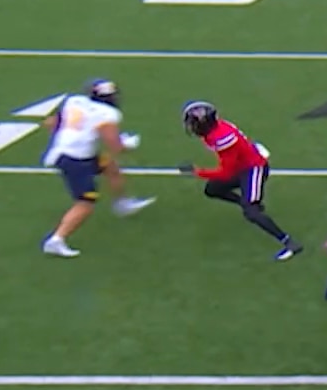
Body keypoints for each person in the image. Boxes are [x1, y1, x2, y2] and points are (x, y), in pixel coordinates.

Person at [40, 79, 150, 257]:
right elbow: (115, 146)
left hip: (68, 152)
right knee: (85, 203)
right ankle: (56, 240)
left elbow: (51, 123)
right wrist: (128, 144)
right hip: (76, 160)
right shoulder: (108, 114)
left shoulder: (74, 100)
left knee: (109, 166)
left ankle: (122, 204)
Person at [176, 101, 296, 261]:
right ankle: (246, 202)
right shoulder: (216, 130)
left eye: (194, 123)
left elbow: (225, 173)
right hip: (241, 167)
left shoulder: (221, 138)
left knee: (251, 212)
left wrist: (198, 172)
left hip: (254, 169)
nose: (192, 127)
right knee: (212, 190)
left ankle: (289, 242)